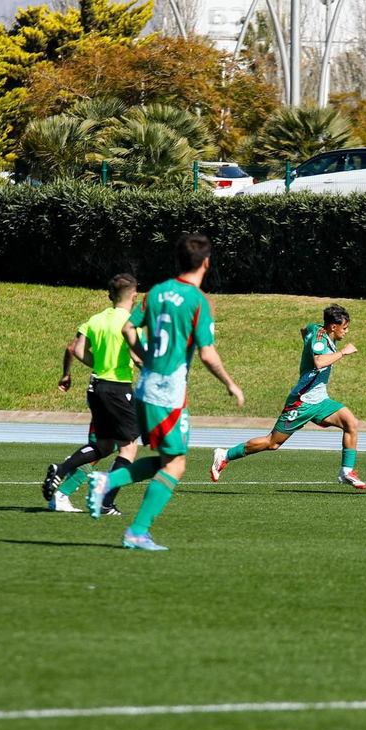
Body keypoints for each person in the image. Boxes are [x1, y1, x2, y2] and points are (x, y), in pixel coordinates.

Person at [86, 234, 245, 550]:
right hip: (168, 393)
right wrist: (230, 383)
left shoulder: (156, 292)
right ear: (206, 262)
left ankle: (116, 493)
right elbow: (207, 353)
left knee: (169, 460)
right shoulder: (197, 300)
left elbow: (128, 328)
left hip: (144, 389)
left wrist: (144, 358)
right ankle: (131, 521)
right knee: (176, 464)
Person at [210, 303, 366, 489]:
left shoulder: (315, 329)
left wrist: (307, 345)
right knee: (272, 443)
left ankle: (346, 471)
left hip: (320, 400)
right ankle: (225, 455)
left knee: (351, 422)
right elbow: (318, 362)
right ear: (333, 327)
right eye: (345, 327)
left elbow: (304, 328)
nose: (347, 331)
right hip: (302, 401)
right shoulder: (320, 340)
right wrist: (343, 352)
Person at [42, 273, 141, 514]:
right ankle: (105, 503)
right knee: (128, 449)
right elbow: (139, 358)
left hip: (96, 387)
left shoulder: (96, 319)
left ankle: (62, 469)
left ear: (110, 295)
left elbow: (75, 349)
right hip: (118, 388)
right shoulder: (130, 322)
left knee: (104, 446)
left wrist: (94, 366)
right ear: (135, 295)